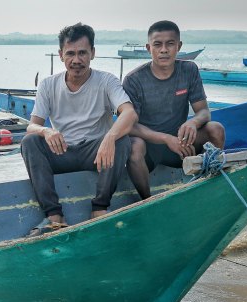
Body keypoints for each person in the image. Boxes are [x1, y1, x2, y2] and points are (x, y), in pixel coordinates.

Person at [21, 22, 137, 236]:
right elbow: (32, 125)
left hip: (96, 153)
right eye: (70, 53)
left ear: (92, 53)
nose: (76, 60)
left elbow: (129, 113)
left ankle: (100, 208)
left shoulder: (106, 80)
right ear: (60, 55)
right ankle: (54, 216)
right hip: (61, 151)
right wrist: (46, 131)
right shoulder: (48, 84)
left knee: (122, 139)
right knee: (30, 142)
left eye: (83, 53)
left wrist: (110, 137)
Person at [122, 20, 225, 200]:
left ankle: (210, 186)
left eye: (170, 44)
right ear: (148, 48)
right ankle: (147, 200)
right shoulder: (133, 79)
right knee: (134, 146)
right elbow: (130, 126)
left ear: (179, 46)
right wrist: (166, 139)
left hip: (181, 144)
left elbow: (203, 112)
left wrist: (193, 122)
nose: (164, 50)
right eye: (157, 44)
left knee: (215, 129)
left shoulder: (189, 70)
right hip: (150, 148)